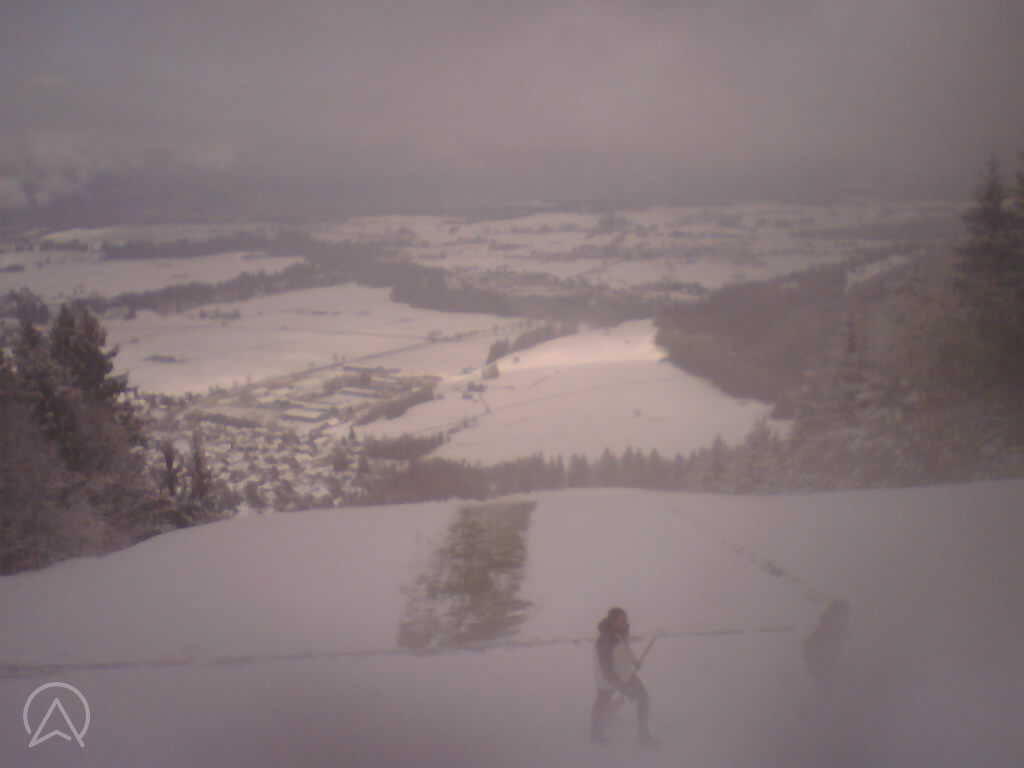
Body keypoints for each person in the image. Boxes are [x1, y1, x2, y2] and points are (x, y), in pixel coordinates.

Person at [591, 607, 658, 748]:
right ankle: (596, 733)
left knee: (643, 698)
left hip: (625, 674)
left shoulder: (621, 633)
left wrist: (634, 661)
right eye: (621, 620)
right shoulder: (605, 639)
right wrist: (619, 685)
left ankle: (643, 735)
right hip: (608, 678)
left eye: (625, 619)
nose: (625, 622)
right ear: (612, 621)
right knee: (602, 702)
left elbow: (626, 650)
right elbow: (605, 666)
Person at [802, 599, 850, 700]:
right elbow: (809, 649)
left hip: (832, 675)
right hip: (824, 674)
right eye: (842, 615)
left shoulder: (840, 633)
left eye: (845, 616)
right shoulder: (825, 631)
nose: (845, 620)